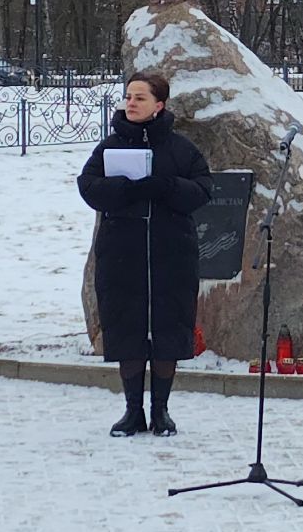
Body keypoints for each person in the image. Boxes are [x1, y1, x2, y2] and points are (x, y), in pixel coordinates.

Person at [77, 72, 212, 437]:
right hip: (122, 255)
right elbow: (87, 186)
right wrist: (124, 189)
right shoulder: (110, 147)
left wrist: (166, 186)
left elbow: (202, 190)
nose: (131, 103)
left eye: (140, 97)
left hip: (171, 256)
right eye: (128, 97)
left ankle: (161, 412)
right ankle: (132, 411)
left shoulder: (181, 148)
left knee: (167, 330)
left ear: (160, 104)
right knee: (127, 328)